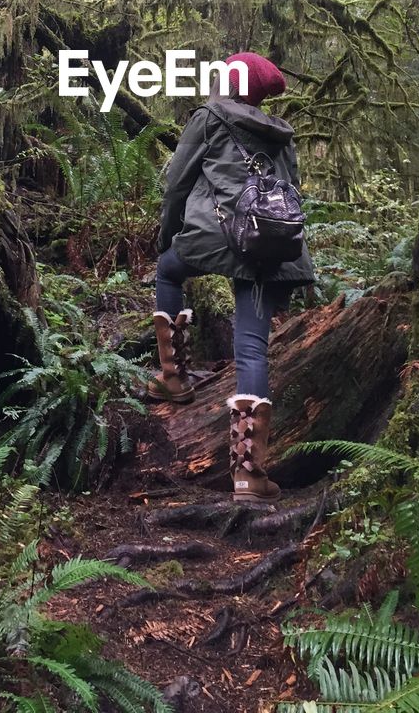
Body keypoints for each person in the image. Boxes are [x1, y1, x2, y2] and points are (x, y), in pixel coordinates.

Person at [149, 51, 315, 502]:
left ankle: (173, 377)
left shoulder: (208, 116)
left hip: (213, 237)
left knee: (168, 271)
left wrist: (168, 236)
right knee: (251, 349)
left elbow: (178, 182)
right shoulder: (280, 134)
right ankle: (248, 475)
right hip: (264, 247)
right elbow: (290, 194)